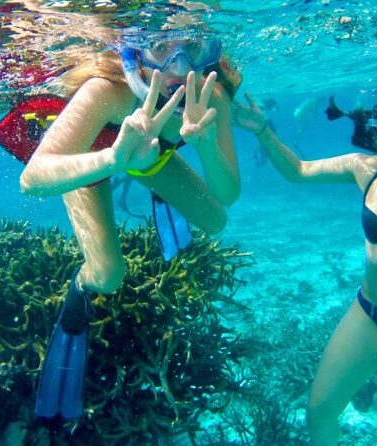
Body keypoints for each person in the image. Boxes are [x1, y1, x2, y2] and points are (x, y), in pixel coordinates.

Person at [15, 26, 241, 419]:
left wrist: (206, 146)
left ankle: (156, 185)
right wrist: (113, 161)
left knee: (215, 220)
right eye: (160, 48)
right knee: (108, 275)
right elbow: (32, 179)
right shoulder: (107, 91)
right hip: (91, 158)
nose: (179, 66)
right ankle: (79, 289)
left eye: (190, 47)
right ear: (135, 55)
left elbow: (227, 194)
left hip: (148, 155)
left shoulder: (211, 97)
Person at [233, 72, 377, 446]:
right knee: (318, 411)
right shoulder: (363, 169)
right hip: (372, 312)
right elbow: (299, 172)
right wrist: (261, 130)